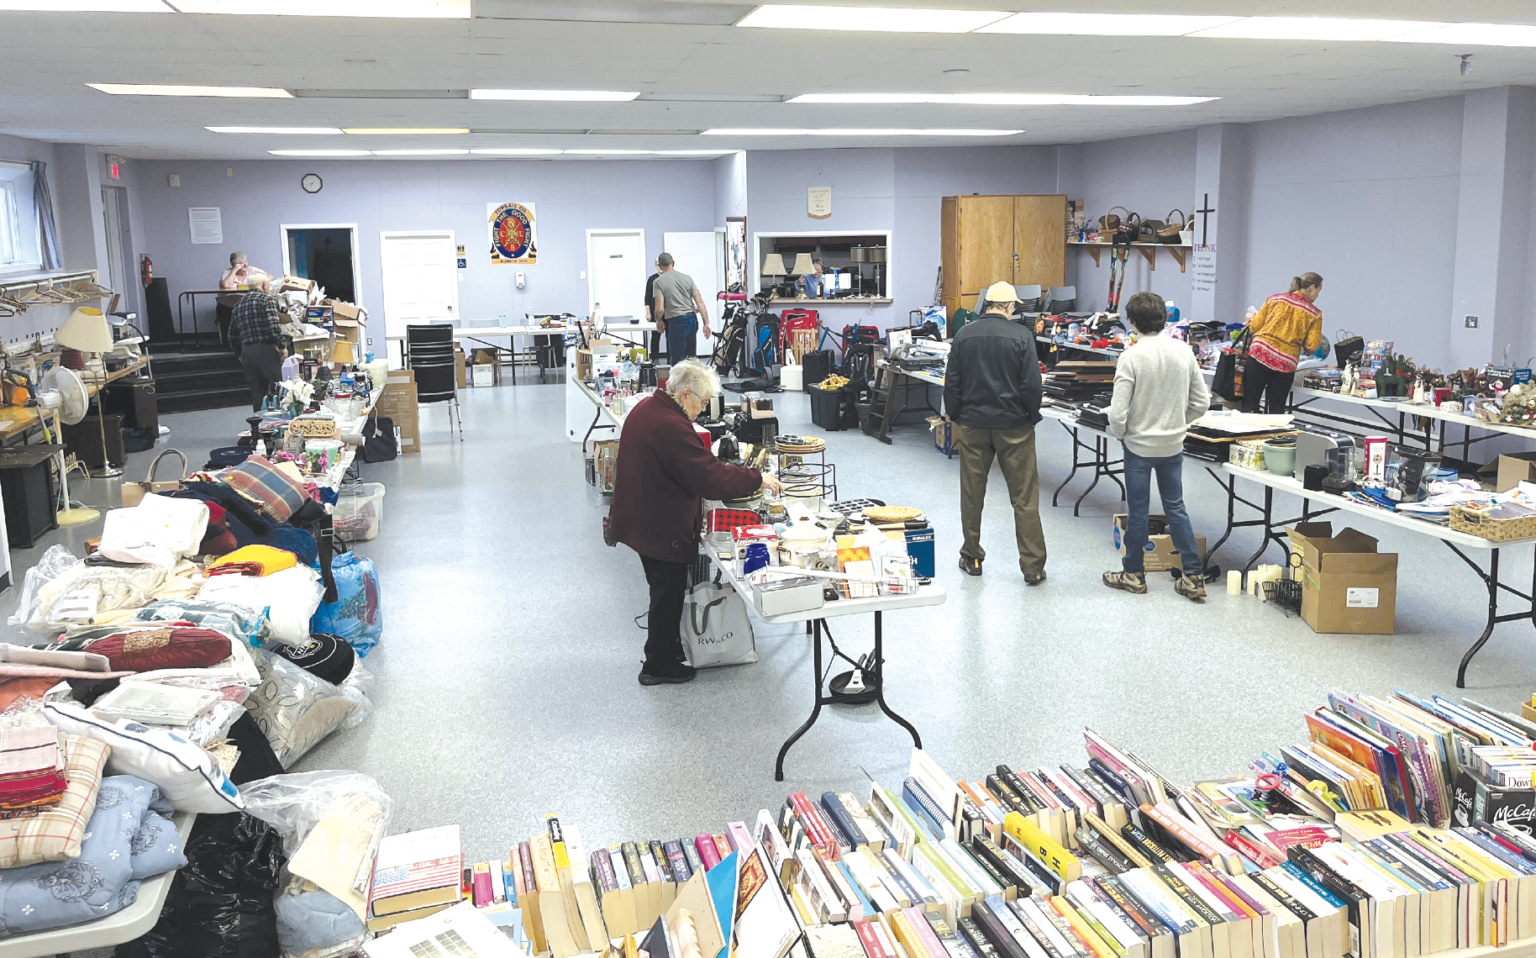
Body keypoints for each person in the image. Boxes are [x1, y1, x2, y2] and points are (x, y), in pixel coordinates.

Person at [608, 359, 784, 686]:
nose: (703, 410)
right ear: (685, 393)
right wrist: (757, 478)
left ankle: (668, 647)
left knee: (664, 589)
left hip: (643, 516)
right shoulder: (670, 425)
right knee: (667, 592)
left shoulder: (650, 408)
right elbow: (709, 477)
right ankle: (657, 665)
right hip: (658, 524)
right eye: (702, 402)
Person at [1103, 292, 1212, 600]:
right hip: (1173, 444)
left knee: (1138, 511)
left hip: (1138, 446)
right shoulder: (1184, 351)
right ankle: (1193, 576)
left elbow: (1118, 411)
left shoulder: (1131, 356)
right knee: (1176, 507)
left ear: (1133, 323)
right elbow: (1201, 402)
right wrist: (1179, 422)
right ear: (1165, 319)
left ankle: (1134, 575)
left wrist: (1121, 433)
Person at [943, 280, 1047, 583]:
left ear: (986, 304)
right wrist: (1030, 416)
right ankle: (1032, 568)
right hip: (1014, 426)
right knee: (1024, 498)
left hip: (974, 425)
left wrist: (959, 416)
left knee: (972, 494)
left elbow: (953, 384)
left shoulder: (964, 334)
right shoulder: (1021, 335)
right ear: (1011, 307)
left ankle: (972, 558)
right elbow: (1032, 385)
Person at [1242, 272, 1326, 415]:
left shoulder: (1274, 299)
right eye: (1319, 290)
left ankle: (1247, 436)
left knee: (1250, 404)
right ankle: (1273, 436)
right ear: (1312, 287)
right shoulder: (1314, 313)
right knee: (1276, 409)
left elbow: (1255, 326)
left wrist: (1251, 319)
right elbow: (1312, 345)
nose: (1318, 295)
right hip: (1285, 364)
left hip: (1259, 354)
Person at [228, 274, 287, 411]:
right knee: (278, 389)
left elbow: (231, 334)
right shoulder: (266, 300)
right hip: (266, 350)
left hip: (247, 352)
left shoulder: (238, 305)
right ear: (264, 285)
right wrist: (282, 347)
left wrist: (239, 353)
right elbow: (273, 327)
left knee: (257, 394)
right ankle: (280, 425)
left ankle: (258, 427)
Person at [652, 253, 712, 366]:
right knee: (691, 360)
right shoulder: (687, 278)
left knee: (678, 362)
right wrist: (706, 323)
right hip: (692, 320)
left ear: (659, 266)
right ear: (673, 263)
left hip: (677, 322)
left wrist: (659, 320)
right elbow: (699, 302)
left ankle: (679, 384)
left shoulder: (658, 282)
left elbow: (659, 309)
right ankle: (691, 383)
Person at [217, 251, 263, 348]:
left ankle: (249, 343)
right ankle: (228, 345)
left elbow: (269, 277)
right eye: (241, 263)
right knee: (228, 321)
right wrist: (234, 270)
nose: (245, 265)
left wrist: (257, 282)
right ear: (234, 265)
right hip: (228, 305)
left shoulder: (251, 270)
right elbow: (226, 286)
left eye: (246, 262)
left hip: (247, 304)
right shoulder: (228, 272)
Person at [644, 269, 665, 360]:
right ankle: (654, 358)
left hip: (668, 311)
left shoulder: (668, 278)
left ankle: (670, 358)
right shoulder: (652, 279)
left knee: (670, 336)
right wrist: (648, 313)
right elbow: (647, 297)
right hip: (655, 311)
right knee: (655, 336)